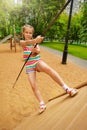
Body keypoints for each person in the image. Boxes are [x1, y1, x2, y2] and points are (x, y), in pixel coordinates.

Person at [20, 24, 78, 113]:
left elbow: (38, 51)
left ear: (32, 33)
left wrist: (35, 51)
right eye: (26, 32)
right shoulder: (22, 42)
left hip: (37, 61)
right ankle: (41, 103)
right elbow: (26, 43)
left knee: (48, 69)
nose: (28, 34)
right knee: (33, 85)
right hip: (29, 66)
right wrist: (35, 41)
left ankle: (67, 89)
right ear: (23, 33)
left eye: (30, 33)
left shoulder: (35, 43)